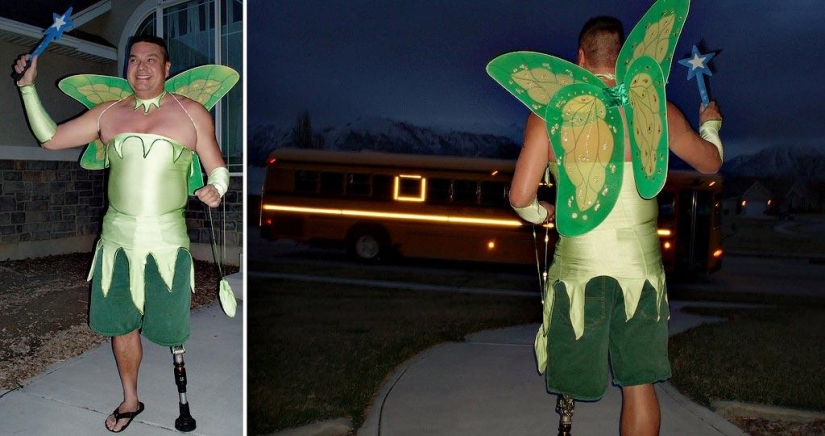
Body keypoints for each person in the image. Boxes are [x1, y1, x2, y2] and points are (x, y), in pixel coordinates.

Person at [507, 17, 723, 435]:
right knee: (639, 385)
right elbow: (711, 163)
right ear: (623, 57)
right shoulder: (654, 108)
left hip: (578, 278)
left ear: (580, 58)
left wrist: (543, 213)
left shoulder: (549, 115)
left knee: (572, 384)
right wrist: (710, 125)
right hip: (640, 275)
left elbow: (519, 197)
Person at [13, 35, 229, 432]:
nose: (141, 67)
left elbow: (216, 164)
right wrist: (28, 88)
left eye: (152, 59)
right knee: (122, 326)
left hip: (167, 244)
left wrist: (216, 187)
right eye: (133, 59)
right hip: (116, 245)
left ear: (167, 69)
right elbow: (51, 139)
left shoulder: (192, 111)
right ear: (126, 67)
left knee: (169, 329)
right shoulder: (107, 112)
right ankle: (131, 398)